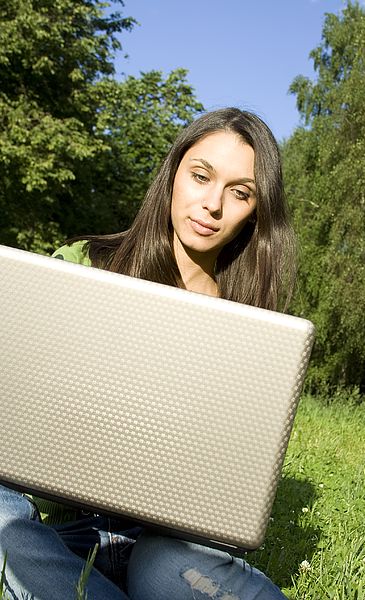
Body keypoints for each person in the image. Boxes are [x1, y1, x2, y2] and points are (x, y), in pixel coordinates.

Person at [0, 107, 296, 599]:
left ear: (255, 213)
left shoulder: (254, 332)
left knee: (163, 565)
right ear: (173, 175)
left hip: (174, 550)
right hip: (67, 538)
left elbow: (235, 478)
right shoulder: (82, 266)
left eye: (239, 192)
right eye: (201, 177)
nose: (213, 205)